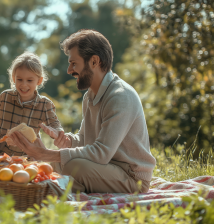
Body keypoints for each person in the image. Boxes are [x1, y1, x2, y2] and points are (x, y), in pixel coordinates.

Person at [11, 29, 156, 194]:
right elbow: (85, 139)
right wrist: (67, 140)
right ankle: (60, 187)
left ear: (94, 61)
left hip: (131, 177)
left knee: (71, 165)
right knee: (59, 163)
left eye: (74, 63)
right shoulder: (90, 96)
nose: (69, 70)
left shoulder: (120, 97)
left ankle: (58, 191)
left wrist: (47, 154)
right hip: (105, 167)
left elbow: (101, 152)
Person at [0, 52, 64, 156]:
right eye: (20, 79)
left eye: (29, 80)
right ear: (14, 78)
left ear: (39, 81)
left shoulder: (45, 104)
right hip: (2, 154)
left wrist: (57, 132)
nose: (24, 84)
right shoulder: (5, 97)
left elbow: (54, 124)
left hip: (28, 158)